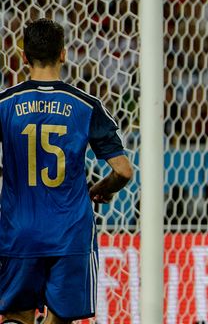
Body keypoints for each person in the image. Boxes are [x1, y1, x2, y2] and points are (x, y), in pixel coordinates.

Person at [0, 19, 133, 324]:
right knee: (60, 318)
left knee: (16, 314)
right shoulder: (86, 105)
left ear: (23, 57)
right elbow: (123, 171)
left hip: (19, 230)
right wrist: (103, 188)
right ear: (63, 54)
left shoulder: (5, 104)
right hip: (70, 232)